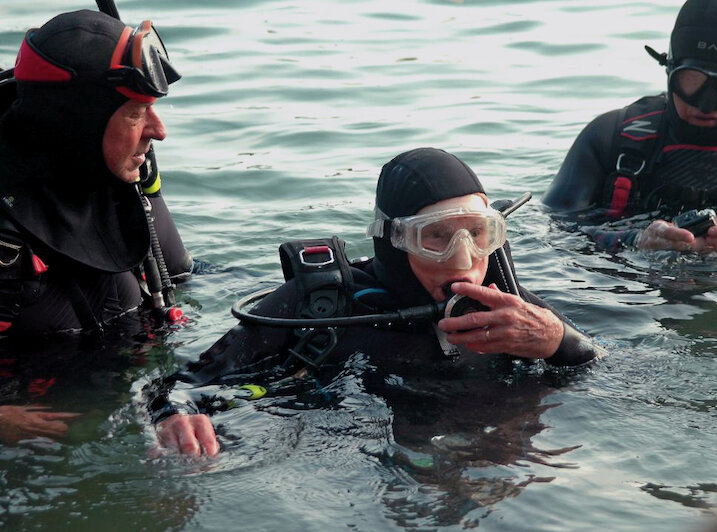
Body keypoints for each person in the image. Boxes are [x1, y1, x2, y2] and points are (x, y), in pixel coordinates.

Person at [149, 147, 605, 457]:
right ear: (394, 241)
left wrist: (556, 339)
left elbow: (602, 370)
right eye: (437, 238)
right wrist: (177, 416)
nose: (464, 260)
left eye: (480, 234)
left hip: (491, 456)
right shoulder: (322, 304)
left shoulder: (511, 307)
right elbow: (181, 383)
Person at [0, 10, 192, 442]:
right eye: (136, 113)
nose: (159, 132)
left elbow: (181, 289)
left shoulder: (122, 184)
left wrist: (172, 400)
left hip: (119, 387)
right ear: (76, 124)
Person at [541, 0, 717, 263]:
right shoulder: (610, 138)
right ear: (670, 69)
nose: (705, 104)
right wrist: (632, 240)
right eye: (692, 82)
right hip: (633, 293)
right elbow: (556, 230)